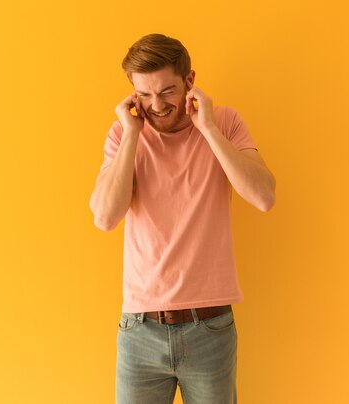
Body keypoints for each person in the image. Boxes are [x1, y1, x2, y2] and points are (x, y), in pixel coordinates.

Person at [89, 33, 276, 404]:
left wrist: (207, 128)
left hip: (210, 328)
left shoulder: (224, 122)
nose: (156, 105)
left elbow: (264, 197)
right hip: (140, 329)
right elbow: (106, 217)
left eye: (166, 91)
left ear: (190, 81)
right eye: (143, 94)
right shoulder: (123, 134)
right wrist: (131, 135)